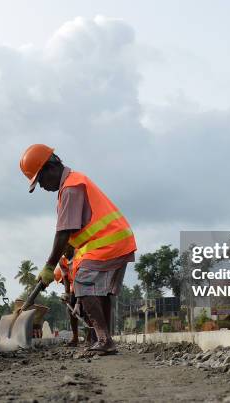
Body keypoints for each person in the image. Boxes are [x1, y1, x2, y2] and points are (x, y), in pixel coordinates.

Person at [19, 144, 136, 356]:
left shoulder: (72, 187)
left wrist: (48, 266)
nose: (43, 187)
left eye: (41, 180)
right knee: (100, 293)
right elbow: (71, 236)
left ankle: (104, 340)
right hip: (115, 241)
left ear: (50, 167)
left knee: (82, 283)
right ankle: (103, 339)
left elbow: (64, 232)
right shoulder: (73, 183)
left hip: (108, 242)